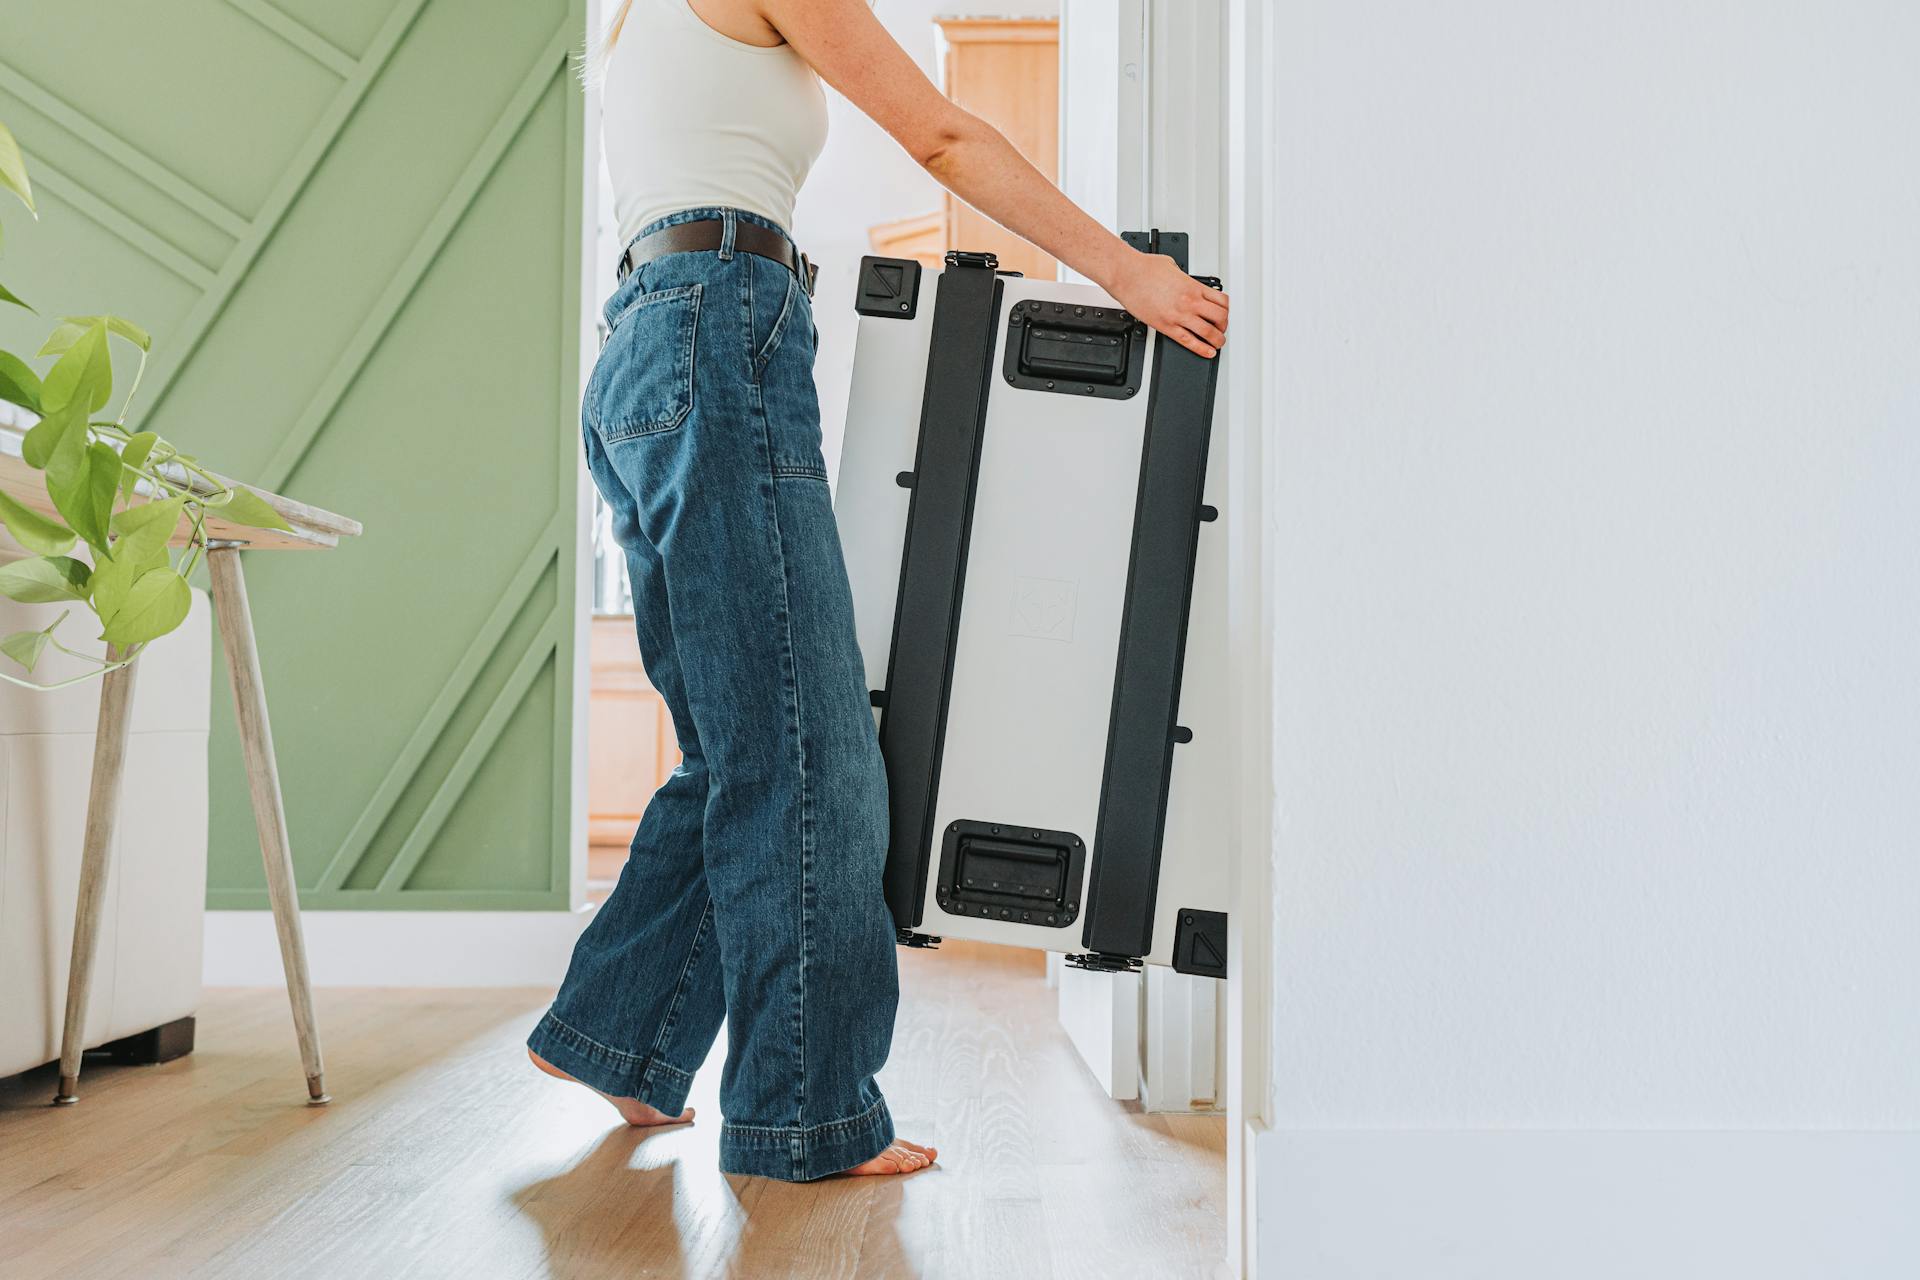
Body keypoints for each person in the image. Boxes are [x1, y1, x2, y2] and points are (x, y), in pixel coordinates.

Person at [528, 0, 1230, 1182]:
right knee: (808, 753)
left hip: (645, 343)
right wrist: (1126, 272)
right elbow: (943, 137)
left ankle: (621, 1031)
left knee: (739, 748)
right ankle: (803, 1116)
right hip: (719, 326)